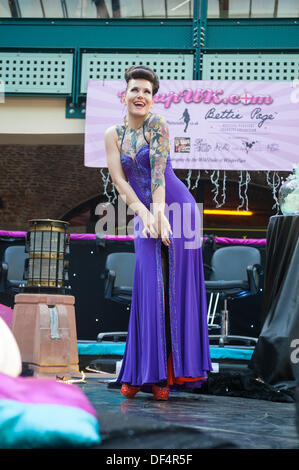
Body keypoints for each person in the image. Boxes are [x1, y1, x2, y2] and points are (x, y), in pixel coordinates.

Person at [104, 65, 212, 400]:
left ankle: (167, 375)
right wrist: (145, 215)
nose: (140, 96)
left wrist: (161, 216)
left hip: (177, 209)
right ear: (125, 94)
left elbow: (159, 177)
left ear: (153, 98)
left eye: (147, 92)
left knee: (175, 288)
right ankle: (141, 372)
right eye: (135, 89)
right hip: (144, 212)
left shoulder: (159, 125)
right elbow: (120, 180)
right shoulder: (113, 134)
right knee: (149, 287)